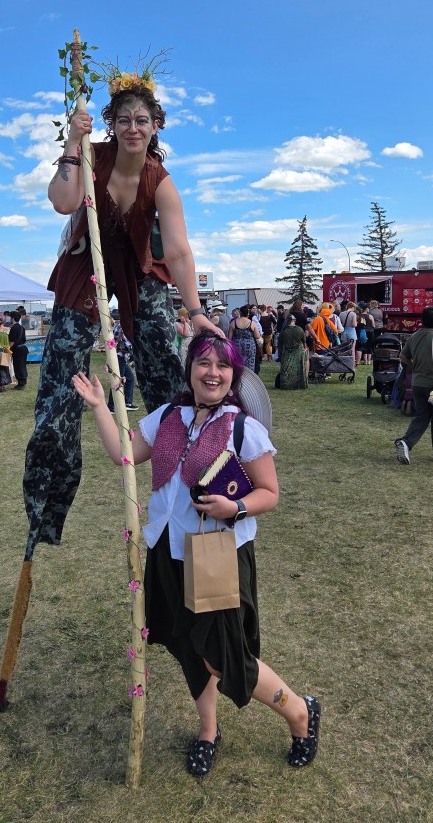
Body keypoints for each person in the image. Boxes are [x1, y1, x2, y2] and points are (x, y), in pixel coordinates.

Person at [73, 331, 321, 777]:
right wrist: (98, 408)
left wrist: (235, 507)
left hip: (217, 555)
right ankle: (208, 731)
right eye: (204, 362)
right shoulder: (169, 415)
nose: (213, 373)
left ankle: (300, 711)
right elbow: (123, 455)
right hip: (166, 552)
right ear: (190, 369)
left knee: (223, 657)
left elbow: (269, 492)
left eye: (222, 366)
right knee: (188, 647)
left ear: (234, 375)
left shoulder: (243, 428)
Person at [22, 73, 222, 559]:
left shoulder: (161, 183)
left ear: (156, 126)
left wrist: (195, 311)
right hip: (84, 267)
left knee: (168, 377)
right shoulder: (93, 157)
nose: (134, 128)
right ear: (111, 124)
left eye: (143, 120)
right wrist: (72, 142)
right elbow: (63, 202)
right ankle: (45, 510)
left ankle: (188, 488)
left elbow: (178, 252)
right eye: (125, 120)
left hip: (138, 272)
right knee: (59, 389)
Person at [394, 306, 433, 465]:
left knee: (422, 416)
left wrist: (414, 366)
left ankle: (406, 442)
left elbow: (403, 356)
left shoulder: (414, 336)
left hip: (418, 384)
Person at [107, 320, 137, 411]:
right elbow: (128, 344)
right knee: (117, 382)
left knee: (130, 378)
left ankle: (127, 402)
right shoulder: (125, 326)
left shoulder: (121, 324)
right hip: (119, 357)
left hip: (120, 357)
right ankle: (111, 406)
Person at [275, 315, 308, 389]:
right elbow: (304, 341)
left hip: (287, 352)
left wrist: (280, 356)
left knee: (286, 369)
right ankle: (299, 384)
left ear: (287, 321)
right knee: (299, 369)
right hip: (298, 352)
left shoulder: (284, 331)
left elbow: (280, 345)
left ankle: (286, 385)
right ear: (294, 320)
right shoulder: (300, 330)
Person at [228, 305, 262, 372]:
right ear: (248, 313)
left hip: (237, 345)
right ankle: (248, 377)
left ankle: (238, 376)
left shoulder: (233, 323)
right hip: (250, 346)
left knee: (237, 362)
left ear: (240, 313)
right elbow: (257, 336)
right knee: (250, 363)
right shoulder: (252, 323)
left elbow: (229, 337)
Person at [7, 311, 29, 389]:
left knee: (18, 366)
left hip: (17, 350)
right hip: (23, 348)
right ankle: (23, 381)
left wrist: (8, 349)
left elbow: (12, 341)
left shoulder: (13, 328)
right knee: (22, 365)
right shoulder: (22, 327)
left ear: (13, 318)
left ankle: (21, 383)